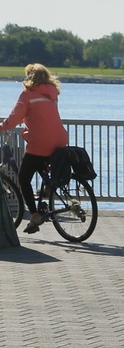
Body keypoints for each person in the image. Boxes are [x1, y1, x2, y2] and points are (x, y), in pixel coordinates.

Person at [0, 63, 70, 233]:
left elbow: (15, 117)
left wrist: (3, 127)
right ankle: (48, 188)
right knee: (42, 165)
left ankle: (35, 215)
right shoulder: (52, 94)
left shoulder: (27, 95)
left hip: (40, 142)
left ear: (30, 77)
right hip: (60, 139)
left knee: (24, 178)